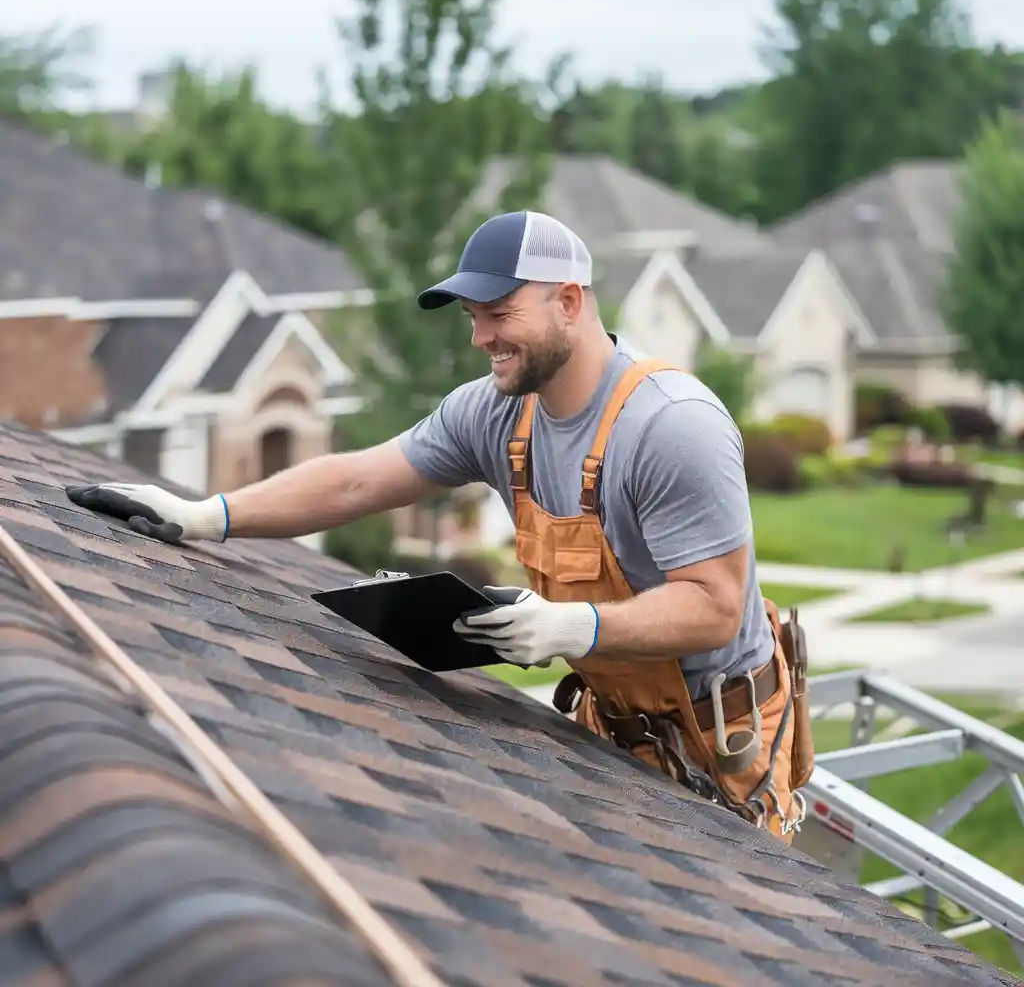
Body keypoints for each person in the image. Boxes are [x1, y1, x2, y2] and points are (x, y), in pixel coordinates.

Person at [66, 210, 809, 841]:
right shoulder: (497, 410)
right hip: (614, 730)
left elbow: (713, 606)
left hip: (720, 750)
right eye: (472, 317)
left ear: (571, 303)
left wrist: (572, 629)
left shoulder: (671, 427)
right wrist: (207, 516)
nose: (482, 337)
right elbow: (359, 477)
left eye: (500, 313)